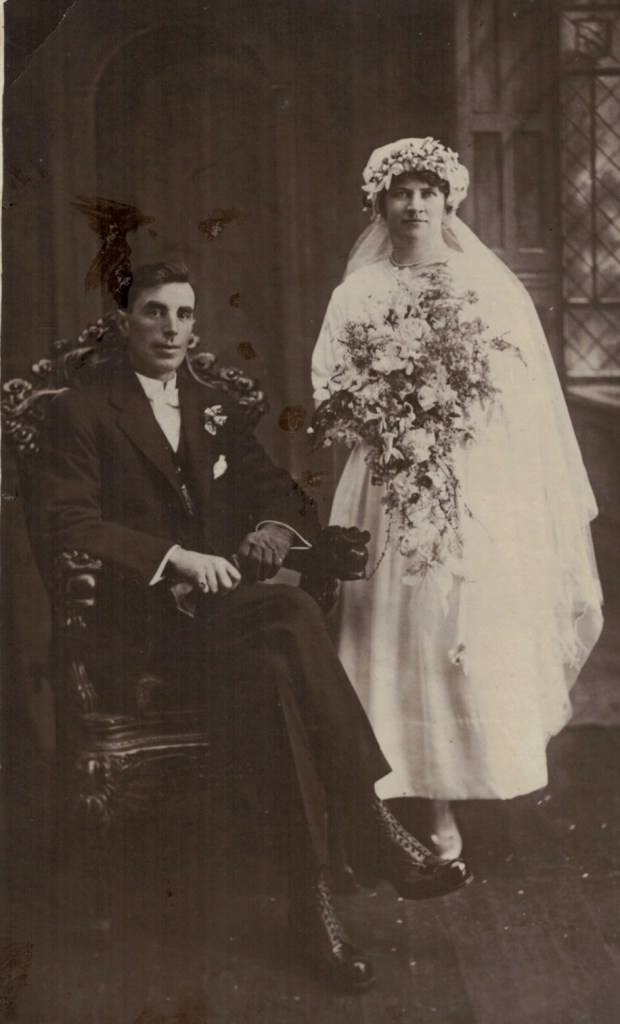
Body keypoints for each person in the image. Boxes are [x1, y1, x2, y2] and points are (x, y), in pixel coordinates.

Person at [35, 260, 472, 992]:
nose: (171, 329)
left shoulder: (211, 406)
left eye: (184, 314)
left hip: (220, 625)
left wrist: (272, 526)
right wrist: (174, 557)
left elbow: (280, 493)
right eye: (154, 312)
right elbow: (67, 524)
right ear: (123, 322)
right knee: (288, 620)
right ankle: (365, 828)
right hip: (134, 627)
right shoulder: (80, 410)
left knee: (275, 655)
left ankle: (315, 906)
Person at [312, 138, 604, 861]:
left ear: (449, 203)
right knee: (386, 627)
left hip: (470, 484)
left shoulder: (486, 289)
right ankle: (389, 797)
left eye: (427, 193)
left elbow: (521, 396)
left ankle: (456, 794)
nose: (414, 205)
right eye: (400, 193)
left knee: (457, 627)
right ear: (379, 204)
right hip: (386, 482)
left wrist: (449, 418)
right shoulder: (357, 293)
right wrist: (383, 412)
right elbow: (328, 386)